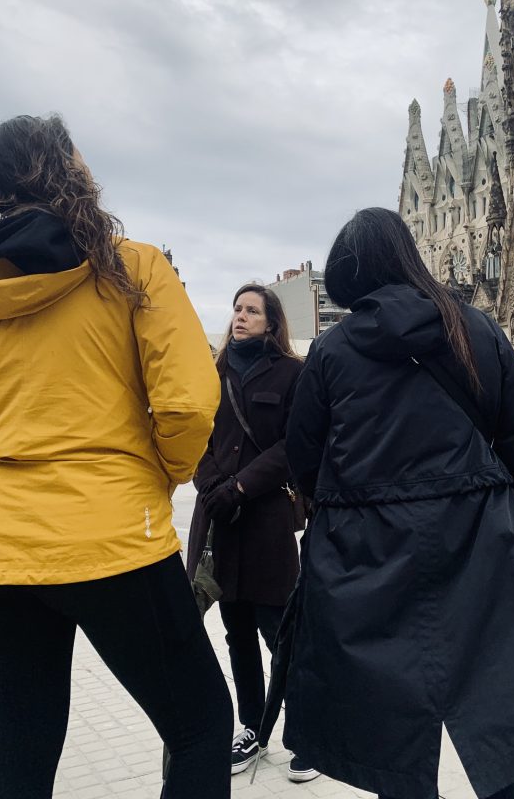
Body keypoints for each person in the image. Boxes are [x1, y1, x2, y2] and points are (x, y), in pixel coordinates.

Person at [283, 208, 514, 799]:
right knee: (505, 717)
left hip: (369, 550)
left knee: (393, 731)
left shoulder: (332, 352)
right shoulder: (475, 329)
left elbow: (304, 456)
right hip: (480, 539)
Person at [0, 115, 232, 799]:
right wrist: (156, 474)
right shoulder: (131, 266)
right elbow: (188, 403)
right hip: (111, 537)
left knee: (21, 751)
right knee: (200, 726)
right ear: (66, 174)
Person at [185, 285, 317, 784]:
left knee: (279, 632)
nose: (241, 317)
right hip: (219, 522)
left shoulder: (291, 373)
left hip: (264, 521)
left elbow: (294, 443)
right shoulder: (209, 372)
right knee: (236, 631)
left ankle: (304, 731)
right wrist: (213, 484)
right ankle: (252, 726)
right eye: (237, 309)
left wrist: (241, 485)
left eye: (252, 310)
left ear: (271, 321)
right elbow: (194, 431)